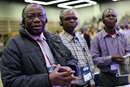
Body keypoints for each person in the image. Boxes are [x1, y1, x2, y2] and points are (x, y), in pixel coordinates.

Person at [1, 3, 79, 87]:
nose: (36, 20)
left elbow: (71, 59)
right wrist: (48, 80)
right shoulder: (13, 45)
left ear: (46, 19)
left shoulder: (55, 38)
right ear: (23, 21)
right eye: (31, 16)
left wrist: (70, 68)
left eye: (40, 16)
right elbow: (10, 82)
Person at [90, 8, 130, 87]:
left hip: (123, 76)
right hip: (107, 77)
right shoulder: (97, 38)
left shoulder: (123, 36)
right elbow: (94, 59)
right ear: (103, 20)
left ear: (116, 19)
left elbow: (128, 52)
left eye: (113, 16)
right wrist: (111, 59)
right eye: (108, 16)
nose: (111, 17)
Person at [59, 9, 95, 87]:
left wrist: (91, 79)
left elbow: (89, 59)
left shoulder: (81, 38)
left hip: (86, 82)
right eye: (67, 19)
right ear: (61, 22)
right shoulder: (58, 41)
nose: (72, 20)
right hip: (71, 84)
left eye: (74, 18)